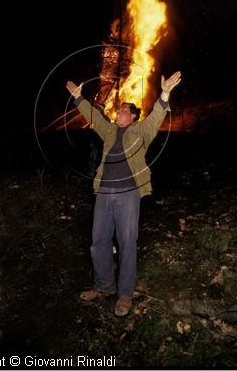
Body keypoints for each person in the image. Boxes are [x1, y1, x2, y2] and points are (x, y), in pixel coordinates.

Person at [66, 71, 182, 316]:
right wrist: (79, 98)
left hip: (128, 193)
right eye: (118, 111)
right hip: (104, 192)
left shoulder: (141, 132)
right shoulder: (109, 132)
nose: (117, 113)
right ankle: (103, 286)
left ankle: (125, 295)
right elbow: (93, 118)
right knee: (99, 241)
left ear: (133, 117)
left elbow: (156, 117)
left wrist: (164, 94)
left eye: (122, 111)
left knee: (127, 243)